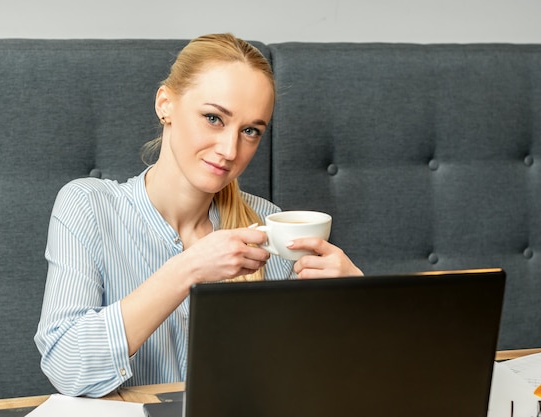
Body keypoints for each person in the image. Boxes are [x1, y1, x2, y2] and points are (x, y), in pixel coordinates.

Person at [34, 33, 363, 398]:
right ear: (166, 104)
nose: (229, 149)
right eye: (213, 118)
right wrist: (188, 269)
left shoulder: (269, 224)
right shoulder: (88, 206)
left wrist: (356, 304)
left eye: (251, 131)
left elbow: (310, 382)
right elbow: (65, 365)